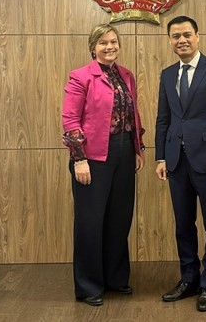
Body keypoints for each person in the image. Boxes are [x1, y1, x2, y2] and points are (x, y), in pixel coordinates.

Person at [155, 16, 206, 312]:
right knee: (183, 225)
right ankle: (188, 279)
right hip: (177, 161)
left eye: (187, 34)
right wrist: (161, 156)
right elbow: (163, 118)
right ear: (170, 40)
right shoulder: (166, 74)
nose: (182, 40)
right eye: (175, 36)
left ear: (198, 36)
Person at [62, 23, 145, 307]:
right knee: (90, 221)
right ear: (93, 47)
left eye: (113, 42)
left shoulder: (126, 76)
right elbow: (70, 120)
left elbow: (132, 115)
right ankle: (88, 286)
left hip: (123, 152)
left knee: (120, 218)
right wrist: (79, 158)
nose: (110, 47)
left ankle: (115, 278)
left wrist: (136, 148)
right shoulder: (80, 77)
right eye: (103, 43)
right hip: (92, 157)